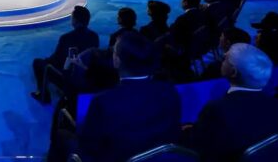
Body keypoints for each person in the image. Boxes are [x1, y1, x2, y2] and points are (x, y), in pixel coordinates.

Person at [49, 33, 181, 162]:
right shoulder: (169, 90)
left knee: (61, 134)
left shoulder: (103, 101)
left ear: (116, 61)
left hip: (116, 157)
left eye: (114, 52)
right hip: (160, 156)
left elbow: (88, 147)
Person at [186, 43, 278, 161]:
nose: (223, 55)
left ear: (233, 72)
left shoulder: (216, 109)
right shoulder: (275, 103)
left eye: (226, 58)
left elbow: (199, 149)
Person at [31, 6, 99, 103]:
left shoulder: (66, 38)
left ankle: (43, 94)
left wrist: (46, 61)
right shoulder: (95, 37)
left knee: (38, 63)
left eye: (72, 17)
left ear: (75, 20)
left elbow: (55, 59)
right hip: (88, 79)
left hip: (69, 80)